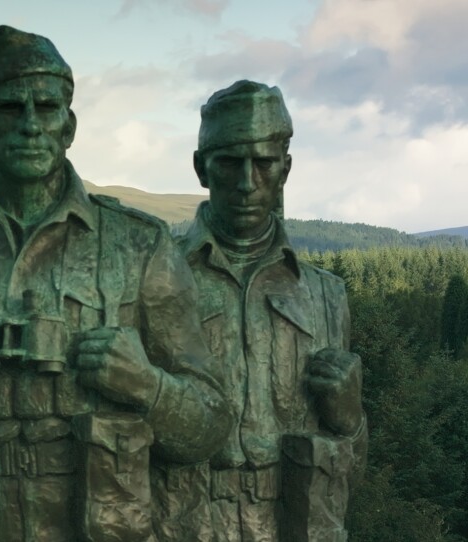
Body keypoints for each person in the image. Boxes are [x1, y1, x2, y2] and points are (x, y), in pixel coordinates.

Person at [0, 25, 233, 542]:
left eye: (46, 108)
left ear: (69, 125)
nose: (30, 127)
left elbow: (210, 425)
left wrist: (147, 386)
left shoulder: (138, 243)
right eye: (10, 110)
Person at [164, 80, 367, 541]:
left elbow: (351, 470)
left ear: (285, 169)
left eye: (264, 163)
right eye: (230, 163)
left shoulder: (325, 295)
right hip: (181, 522)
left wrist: (350, 417)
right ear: (201, 168)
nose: (247, 182)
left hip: (291, 521)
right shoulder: (154, 275)